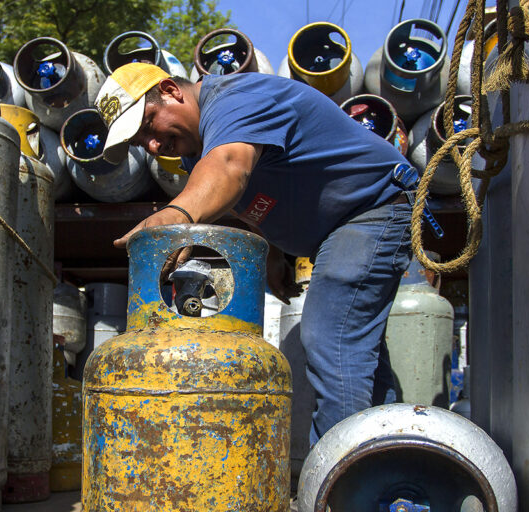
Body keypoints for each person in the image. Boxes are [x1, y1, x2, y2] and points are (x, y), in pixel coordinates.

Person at [95, 62, 413, 445]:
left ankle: (337, 483)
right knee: (361, 365)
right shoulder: (196, 151)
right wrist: (276, 254)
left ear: (171, 90)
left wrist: (174, 217)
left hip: (372, 208)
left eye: (148, 126)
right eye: (139, 143)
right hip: (334, 232)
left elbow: (230, 170)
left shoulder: (235, 100)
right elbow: (257, 199)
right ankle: (389, 465)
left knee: (331, 340)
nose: (152, 145)